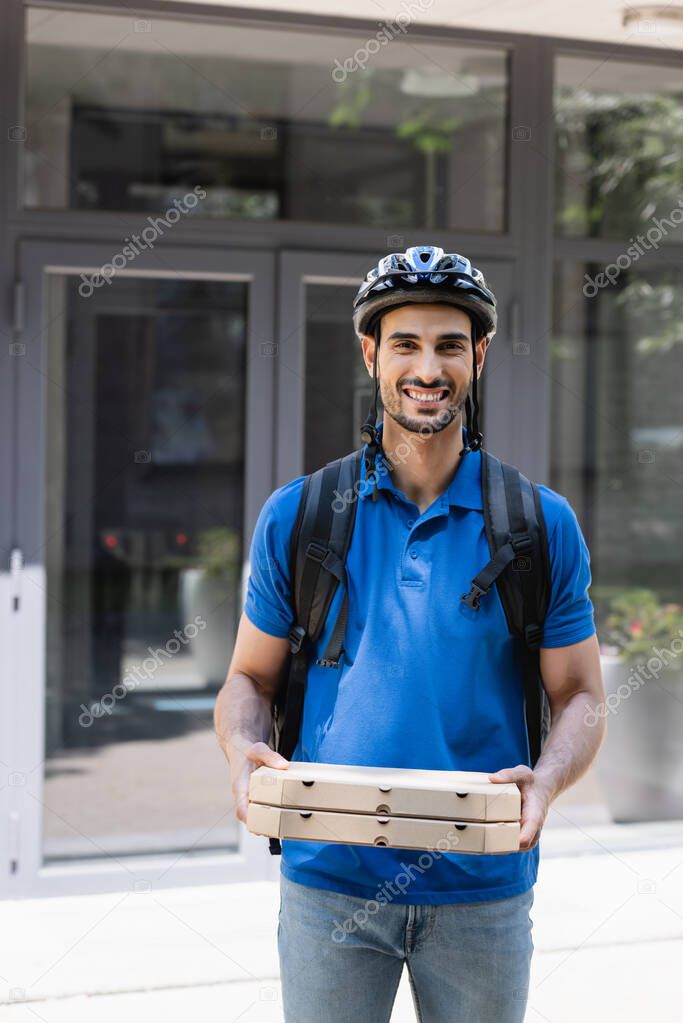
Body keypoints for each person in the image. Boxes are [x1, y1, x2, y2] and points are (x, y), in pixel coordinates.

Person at [214, 246, 607, 1023]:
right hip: (329, 882)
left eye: (449, 345)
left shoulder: (537, 523)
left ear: (479, 355)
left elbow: (582, 696)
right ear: (370, 352)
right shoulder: (299, 515)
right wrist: (241, 748)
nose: (427, 368)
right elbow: (247, 681)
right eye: (405, 343)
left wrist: (549, 779)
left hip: (481, 888)